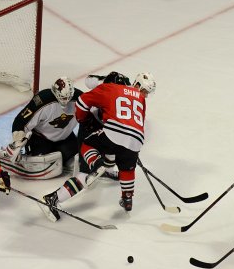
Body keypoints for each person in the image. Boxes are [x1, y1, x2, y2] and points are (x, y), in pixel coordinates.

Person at [39, 72, 156, 221]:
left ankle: (97, 166)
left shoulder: (113, 90)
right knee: (123, 167)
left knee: (89, 166)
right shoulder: (135, 96)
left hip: (107, 132)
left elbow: (84, 102)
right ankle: (126, 197)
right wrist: (131, 147)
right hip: (123, 136)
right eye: (145, 91)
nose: (145, 95)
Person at [0, 76, 83, 179]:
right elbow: (21, 121)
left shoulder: (80, 99)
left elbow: (93, 115)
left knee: (75, 160)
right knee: (40, 163)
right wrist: (17, 142)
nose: (66, 100)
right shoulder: (42, 100)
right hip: (40, 138)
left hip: (65, 137)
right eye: (63, 97)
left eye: (68, 97)